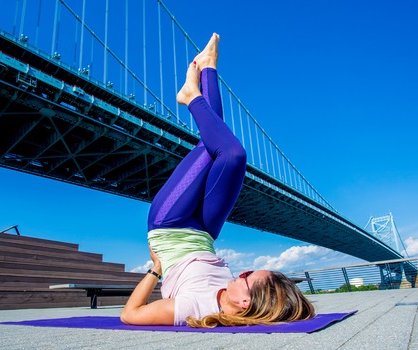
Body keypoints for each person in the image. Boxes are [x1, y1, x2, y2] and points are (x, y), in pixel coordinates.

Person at [120, 33, 315, 328]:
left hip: (168, 228)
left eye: (249, 277)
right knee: (219, 145)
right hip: (205, 232)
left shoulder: (193, 307)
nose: (244, 272)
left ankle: (196, 89)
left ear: (245, 302)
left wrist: (156, 270)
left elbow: (130, 315)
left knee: (228, 152)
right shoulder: (236, 294)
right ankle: (205, 72)